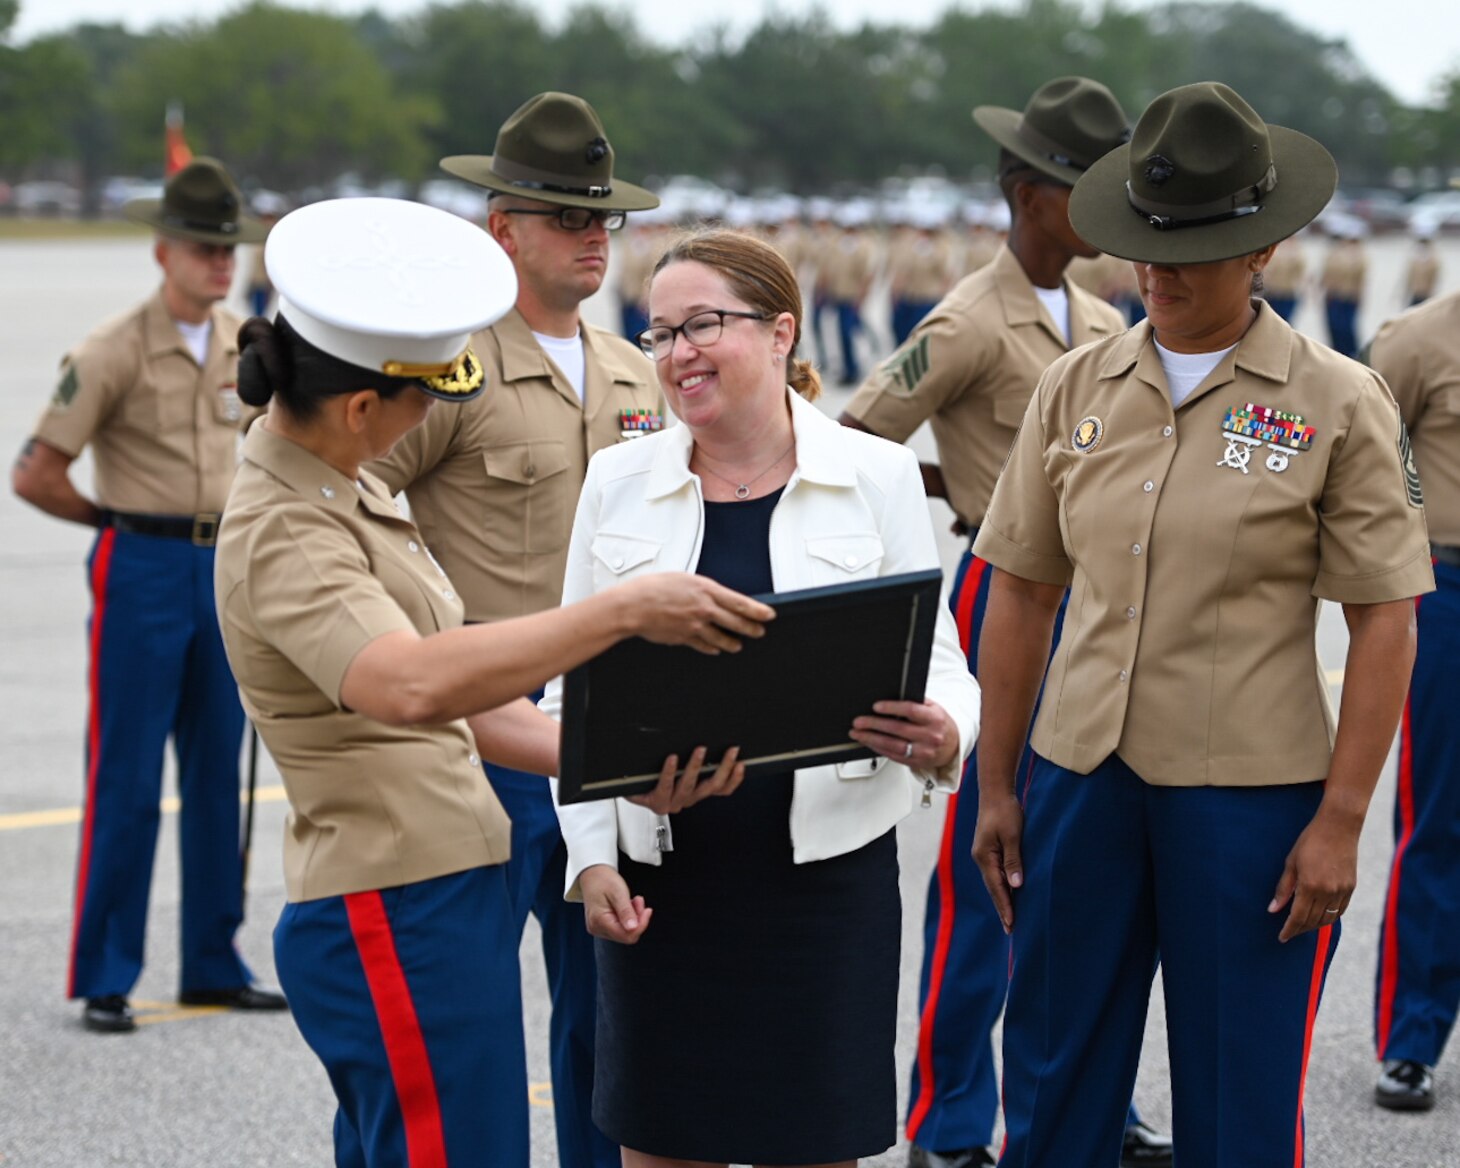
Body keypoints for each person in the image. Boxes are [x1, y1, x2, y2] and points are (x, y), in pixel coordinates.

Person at [214, 196, 774, 1167]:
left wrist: (617, 764)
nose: (434, 414)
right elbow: (409, 685)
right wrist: (620, 612)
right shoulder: (286, 527)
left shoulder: (348, 489)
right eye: (423, 397)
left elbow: (468, 707)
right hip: (389, 896)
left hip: (435, 890)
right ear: (360, 407)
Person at [973, 82, 1434, 1168]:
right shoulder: (1075, 385)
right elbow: (1021, 591)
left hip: (1248, 800)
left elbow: (1383, 619)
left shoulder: (1338, 401)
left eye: (1189, 250)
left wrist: (1340, 820)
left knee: (1238, 1092)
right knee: (1051, 1077)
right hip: (1080, 779)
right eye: (1145, 244)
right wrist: (998, 784)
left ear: (1261, 248)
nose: (1158, 272)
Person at [546, 228, 981, 1168]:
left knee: (813, 1147)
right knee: (665, 1148)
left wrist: (946, 732)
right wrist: (591, 860)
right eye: (661, 334)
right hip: (661, 883)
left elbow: (939, 659)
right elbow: (568, 695)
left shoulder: (875, 475)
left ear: (782, 332)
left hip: (825, 888)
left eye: (702, 325)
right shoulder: (618, 481)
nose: (678, 354)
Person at [842, 76, 1170, 1168]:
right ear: (1031, 196)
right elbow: (858, 440)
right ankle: (945, 1117)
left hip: (1106, 602)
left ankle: (1089, 1097)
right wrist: (968, 498)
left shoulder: (1100, 317)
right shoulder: (968, 321)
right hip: (1009, 596)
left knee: (1091, 862)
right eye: (1087, 188)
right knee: (988, 862)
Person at [366, 91, 663, 1168]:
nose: (594, 236)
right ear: (503, 229)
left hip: (607, 723)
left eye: (603, 216)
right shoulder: (449, 371)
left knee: (608, 1019)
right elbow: (356, 503)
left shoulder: (635, 371)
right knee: (468, 1019)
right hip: (483, 730)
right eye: (567, 216)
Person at [10, 157, 286, 1034]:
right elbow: (36, 472)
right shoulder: (112, 349)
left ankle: (213, 960)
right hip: (141, 564)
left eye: (229, 248)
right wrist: (112, 522)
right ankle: (106, 971)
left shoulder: (249, 345)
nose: (219, 262)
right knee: (126, 774)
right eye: (203, 247)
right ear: (163, 251)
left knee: (218, 773)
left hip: (222, 568)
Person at [1367, 287, 1460, 1112]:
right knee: (1439, 819)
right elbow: (1365, 457)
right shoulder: (1421, 340)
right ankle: (1411, 1040)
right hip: (1451, 587)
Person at [1320, 221, 1367, 358]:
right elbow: (1326, 274)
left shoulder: (1358, 255)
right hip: (1333, 296)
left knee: (1346, 329)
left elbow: (1359, 278)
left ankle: (1352, 355)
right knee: (1334, 327)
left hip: (1348, 296)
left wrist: (1358, 295)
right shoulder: (1334, 253)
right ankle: (1337, 353)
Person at [1262, 236, 1306, 322]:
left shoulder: (1297, 254)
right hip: (1273, 292)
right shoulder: (1275, 253)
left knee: (1284, 320)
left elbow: (1300, 274)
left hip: (1288, 293)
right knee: (1271, 320)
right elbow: (1267, 272)